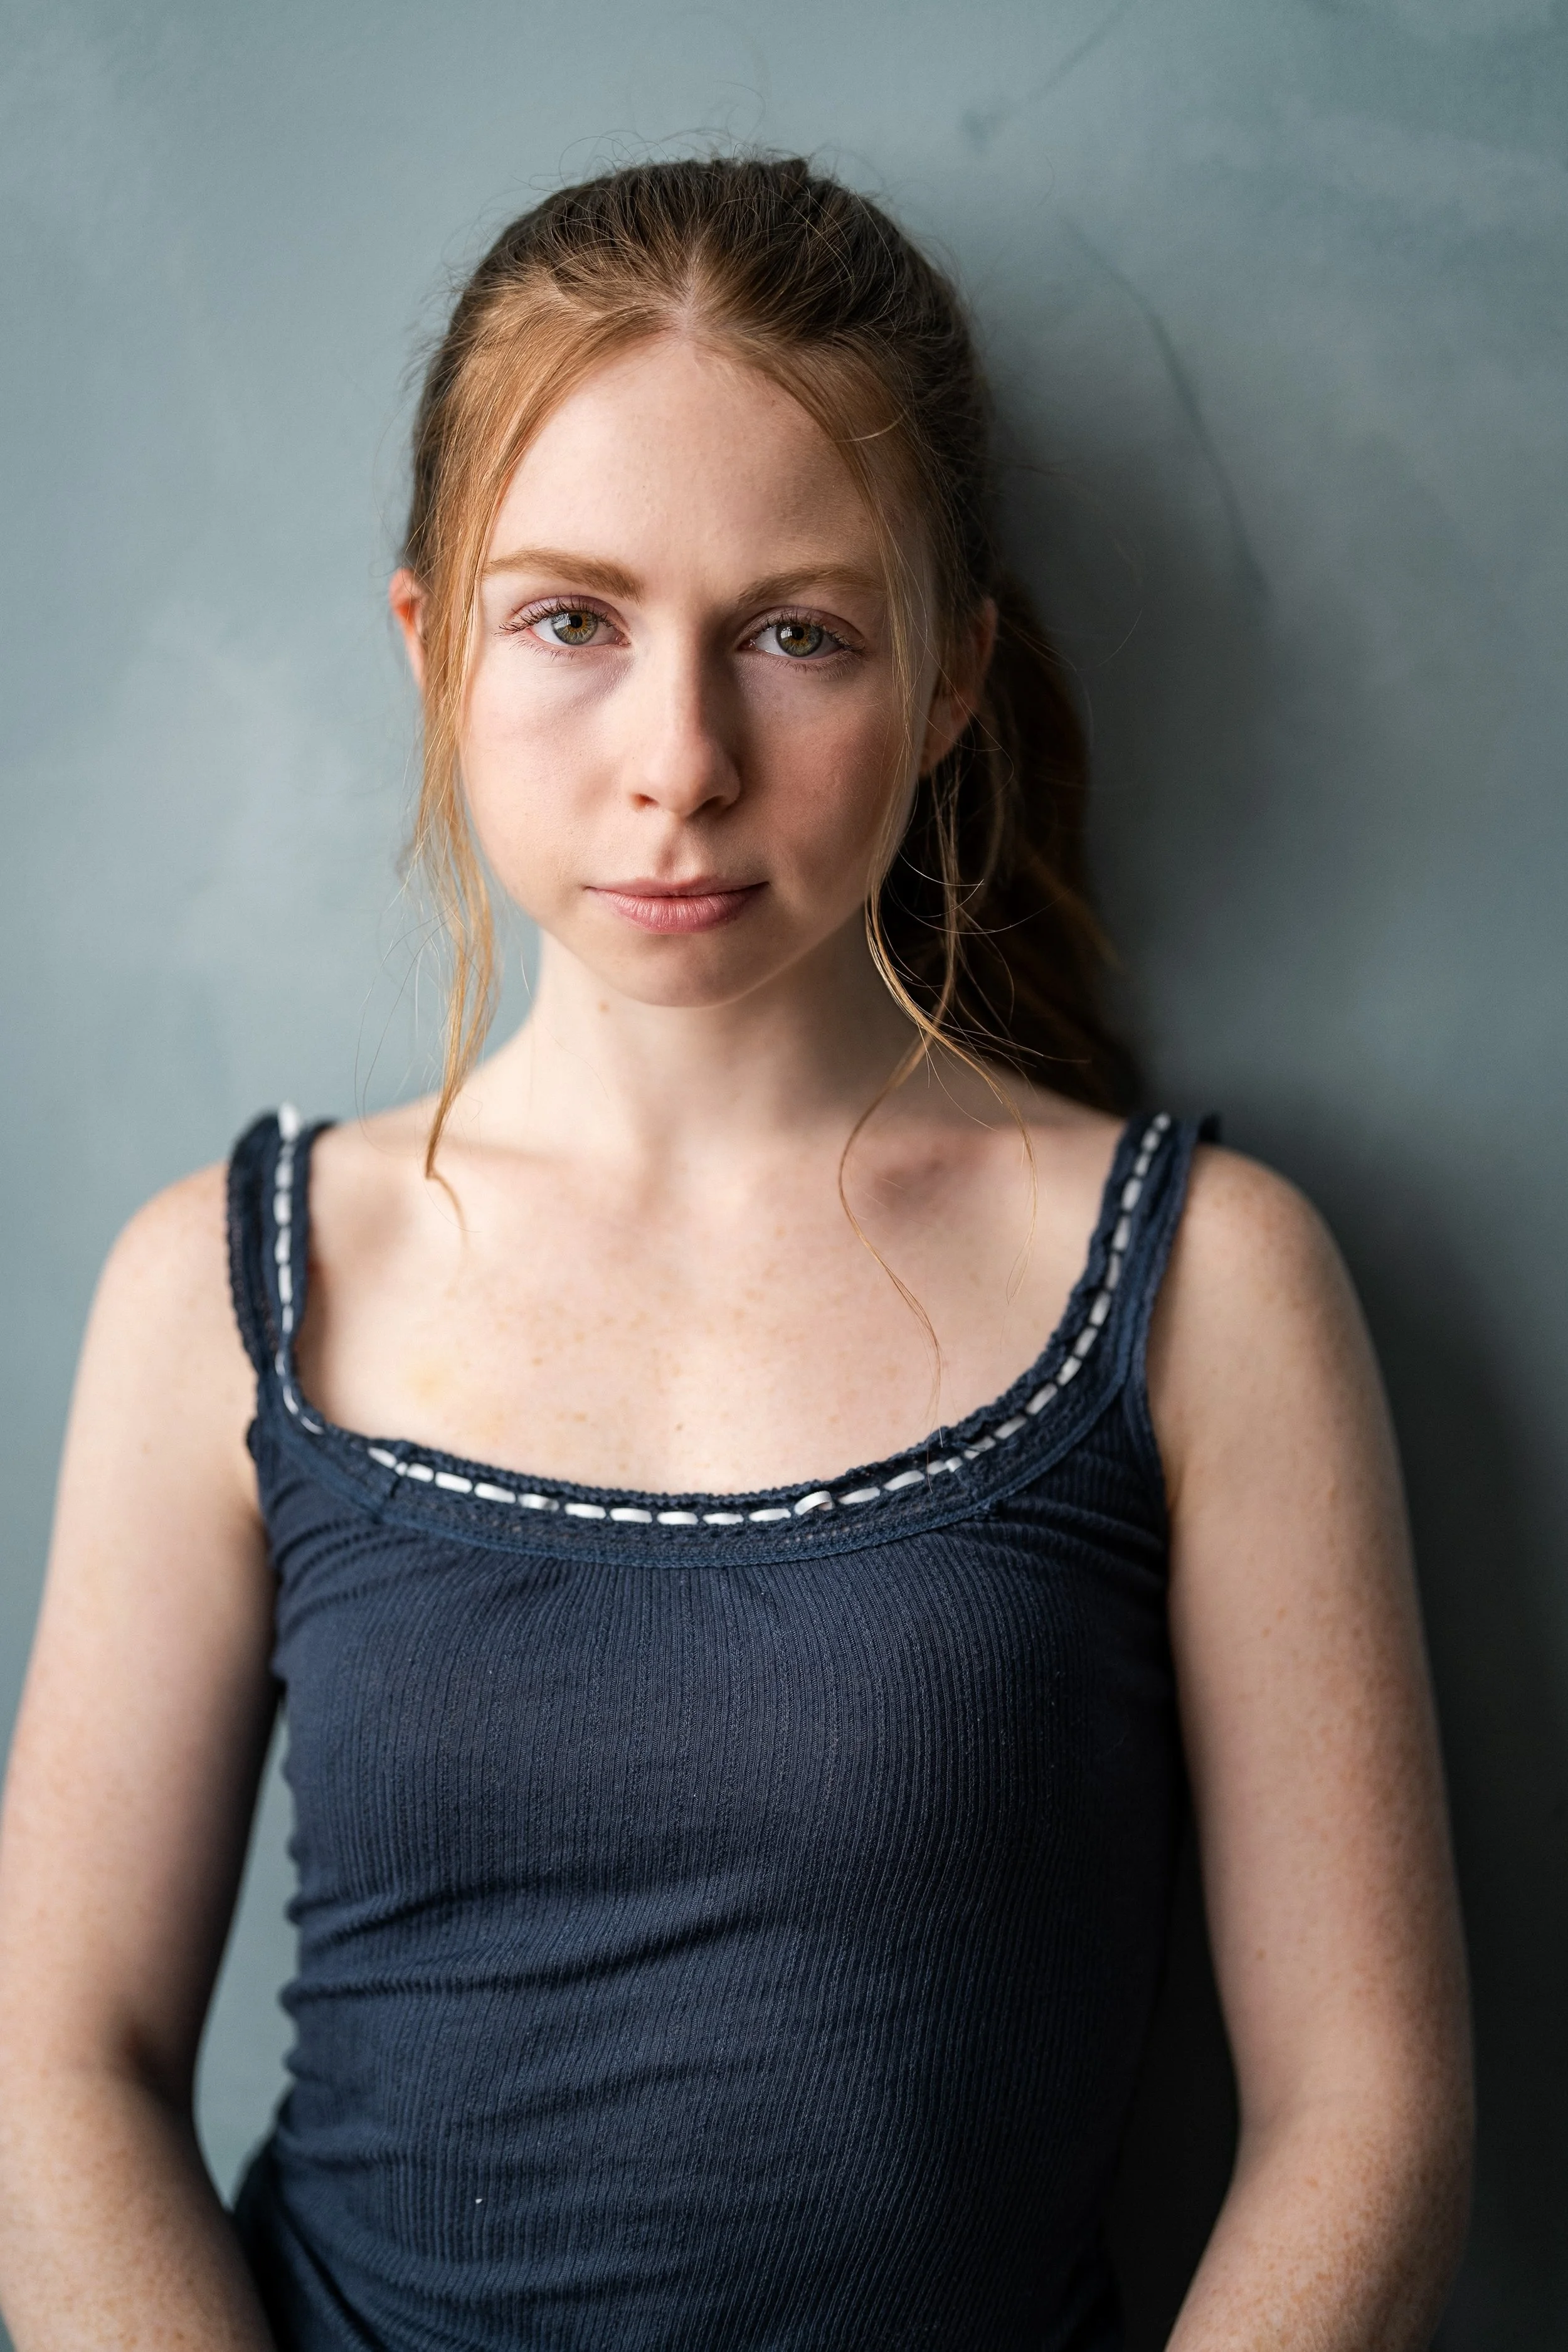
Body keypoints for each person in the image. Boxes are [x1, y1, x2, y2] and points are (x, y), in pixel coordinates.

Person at [0, 157, 1471, 2351]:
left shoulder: (1202, 1285)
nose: (676, 766)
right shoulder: (229, 1286)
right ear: (432, 645)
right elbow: (56, 2072)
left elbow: (1369, 2113)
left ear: (952, 678)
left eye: (796, 633)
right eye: (570, 620)